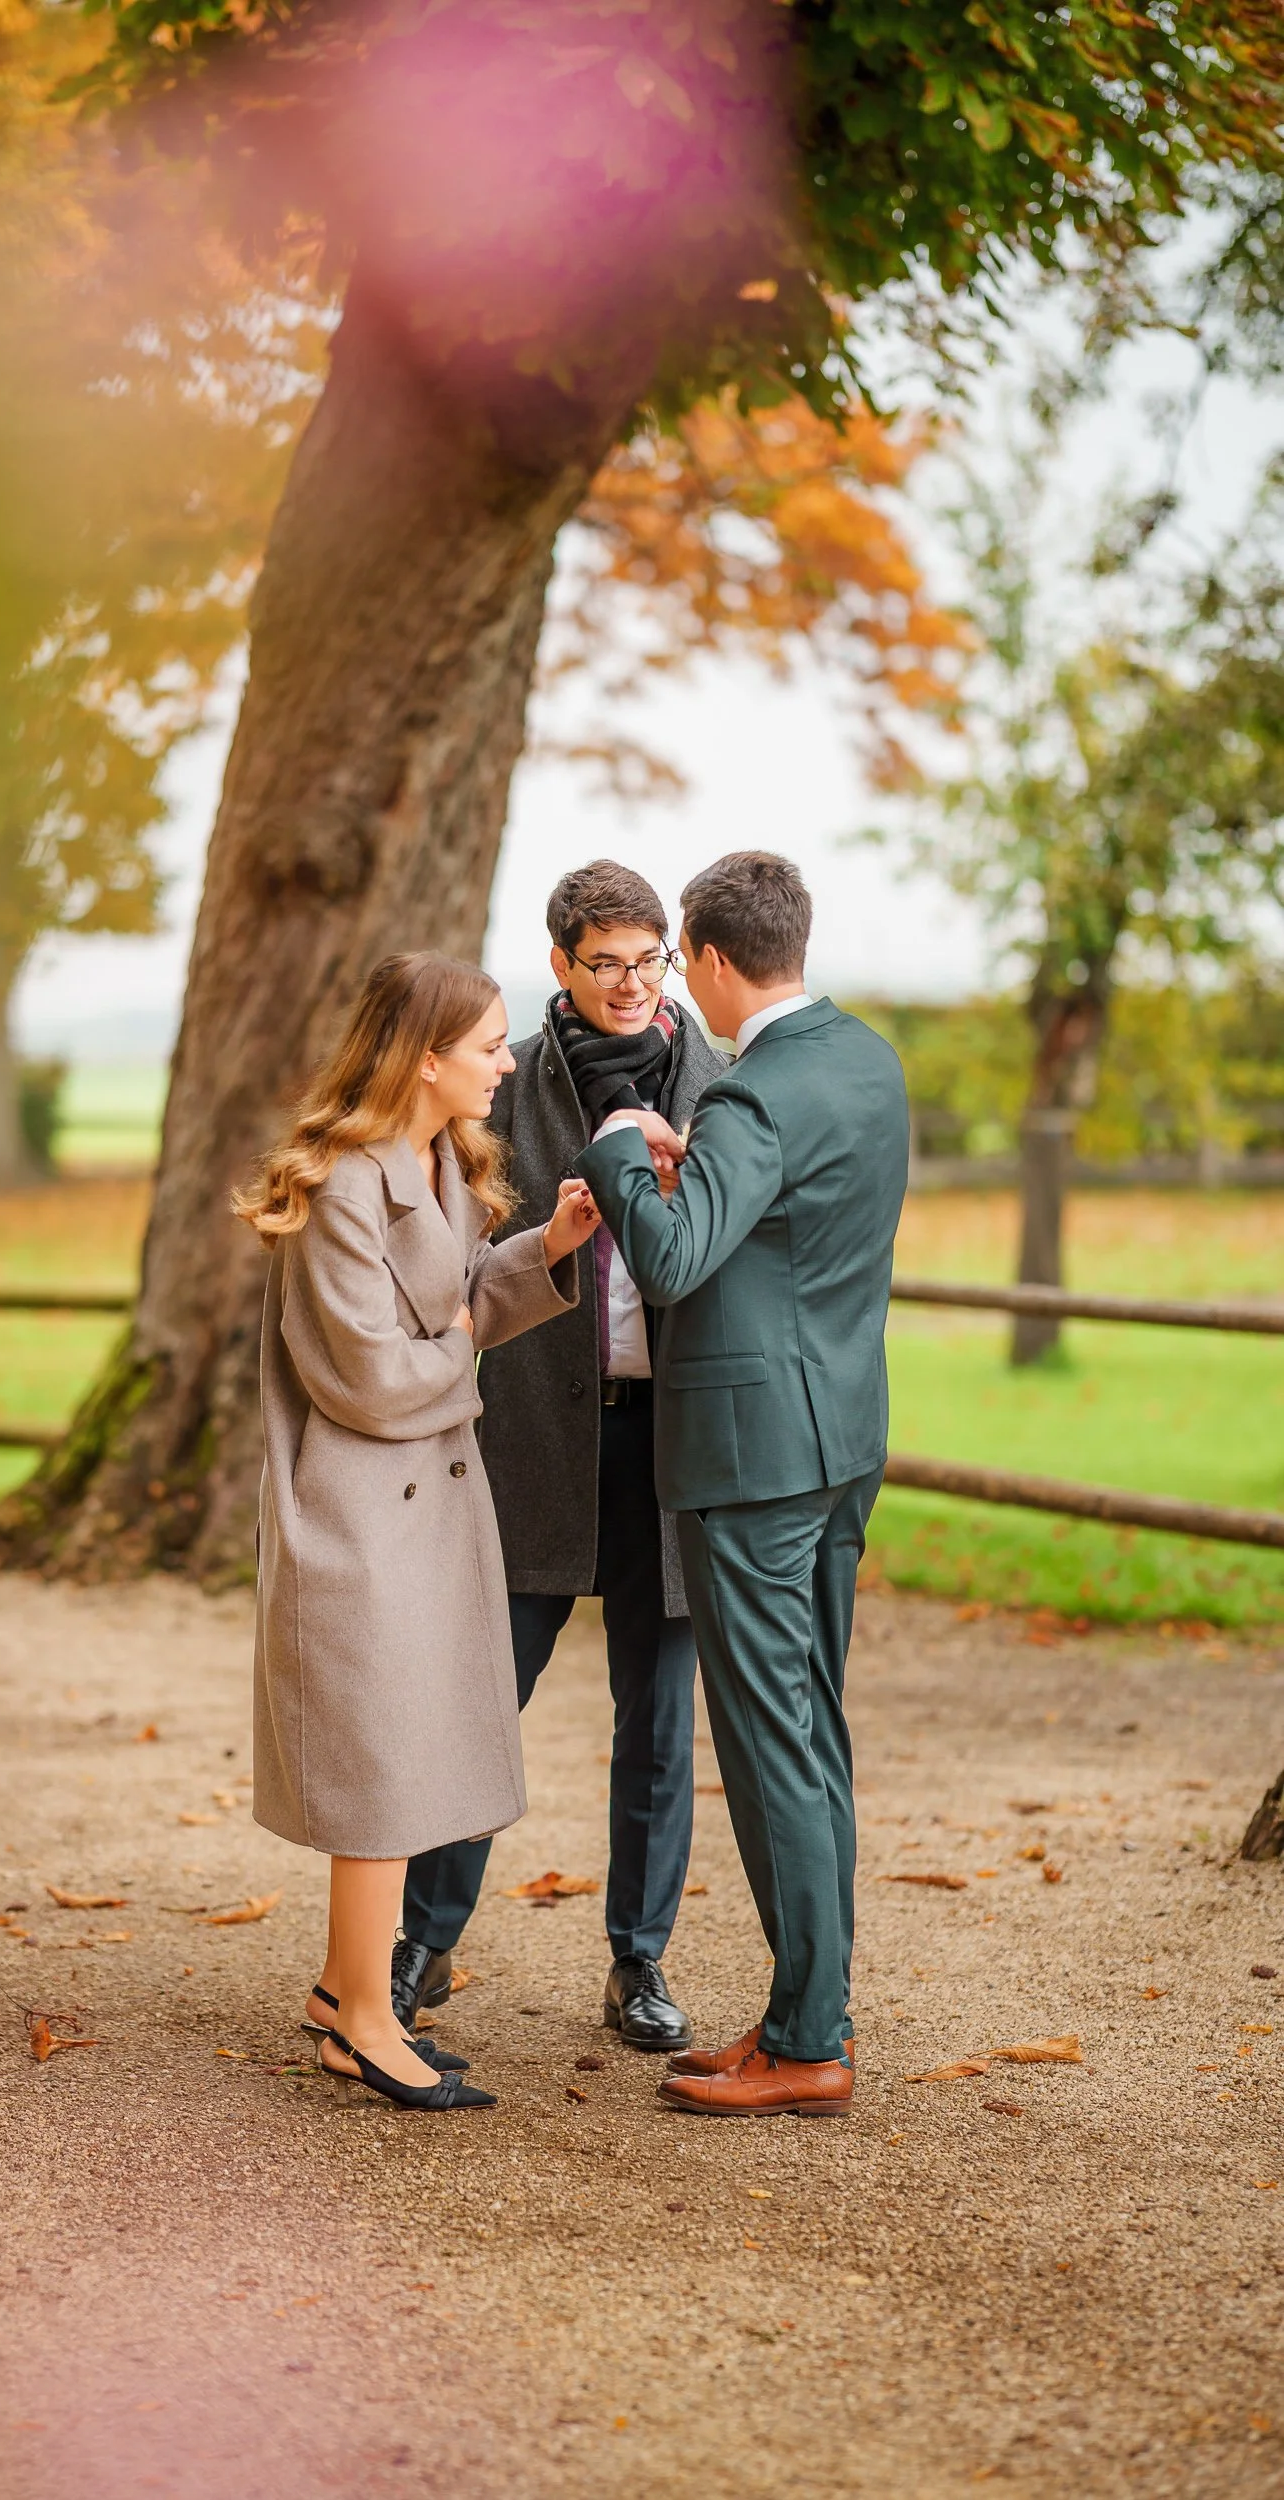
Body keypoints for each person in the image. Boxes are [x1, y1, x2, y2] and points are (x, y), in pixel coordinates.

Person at [235, 951, 599, 2113]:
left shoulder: (438, 1160)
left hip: (421, 1508)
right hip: (356, 1512)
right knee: (379, 1771)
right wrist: (452, 1341)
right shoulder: (345, 1184)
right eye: (490, 1045)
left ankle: (345, 1991)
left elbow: (450, 1313)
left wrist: (545, 1247)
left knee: (398, 1754)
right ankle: (366, 2024)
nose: (506, 1062)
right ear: (426, 1058)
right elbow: (372, 1381)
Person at [577, 852, 908, 2117]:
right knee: (808, 1727)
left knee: (774, 1742)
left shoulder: (750, 1098)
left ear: (709, 962)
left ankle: (808, 2038)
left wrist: (620, 1150)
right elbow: (782, 1227)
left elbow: (666, 1258)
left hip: (750, 1462)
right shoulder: (862, 1061)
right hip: (838, 1443)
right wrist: (691, 1154)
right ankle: (794, 2012)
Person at [395, 861, 722, 2052]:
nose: (632, 984)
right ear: (560, 965)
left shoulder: (724, 1087)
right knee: (484, 1699)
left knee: (657, 1723)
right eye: (607, 963)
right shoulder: (507, 1085)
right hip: (533, 1433)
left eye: (651, 960)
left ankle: (637, 1962)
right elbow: (446, 1247)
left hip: (673, 1446)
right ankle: (421, 1945)